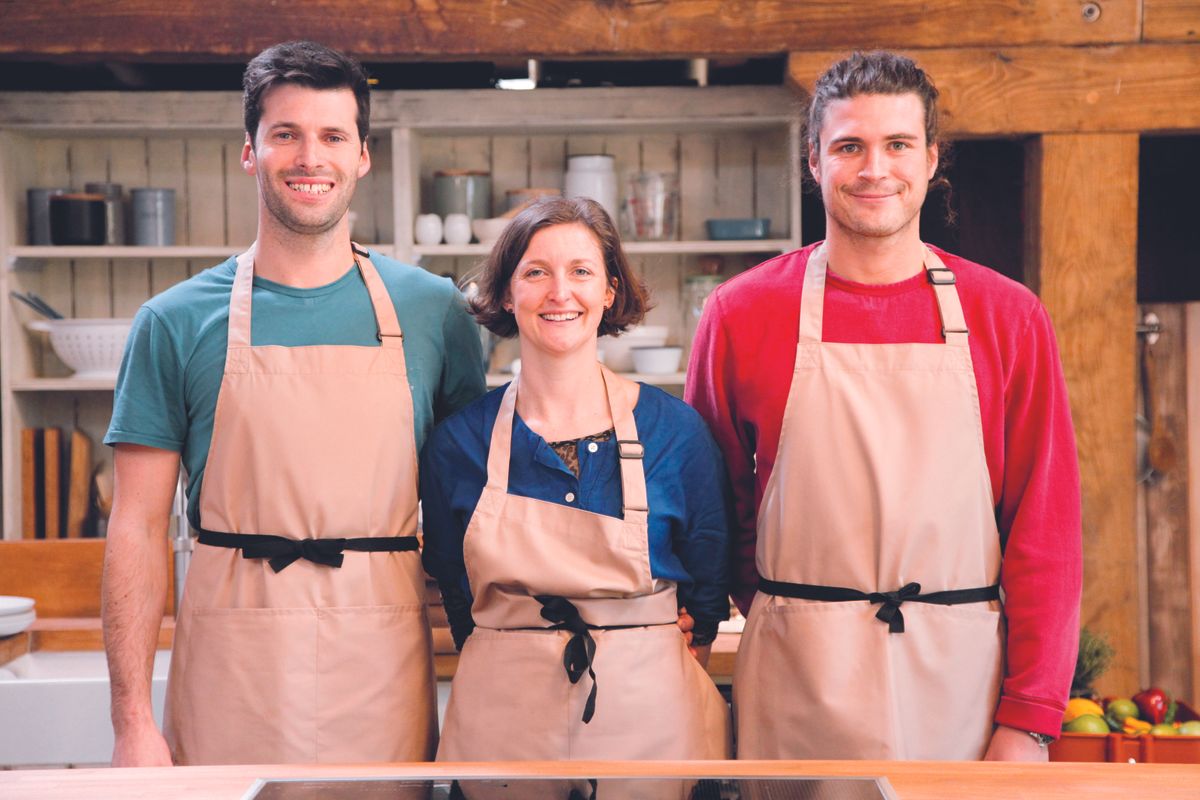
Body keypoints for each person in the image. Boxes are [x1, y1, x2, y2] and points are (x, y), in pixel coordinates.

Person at [686, 51, 1082, 761]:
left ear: (931, 160)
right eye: (849, 146)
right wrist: (788, 610)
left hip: (962, 680)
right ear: (814, 161)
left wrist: (1029, 719)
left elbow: (1044, 530)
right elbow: (712, 505)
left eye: (898, 144)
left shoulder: (1009, 317)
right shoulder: (741, 312)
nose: (875, 169)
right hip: (797, 678)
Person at [101, 40, 485, 766]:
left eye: (333, 136)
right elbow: (137, 527)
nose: (311, 157)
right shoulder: (175, 321)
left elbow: (474, 513)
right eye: (286, 135)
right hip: (230, 669)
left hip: (384, 665)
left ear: (363, 155)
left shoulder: (435, 313)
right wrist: (130, 722)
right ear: (250, 151)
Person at [421, 196, 731, 760]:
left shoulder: (675, 434)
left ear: (609, 291)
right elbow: (457, 593)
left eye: (581, 272)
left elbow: (707, 595)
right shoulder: (459, 445)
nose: (559, 293)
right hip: (504, 732)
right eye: (535, 272)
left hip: (651, 731)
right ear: (508, 294)